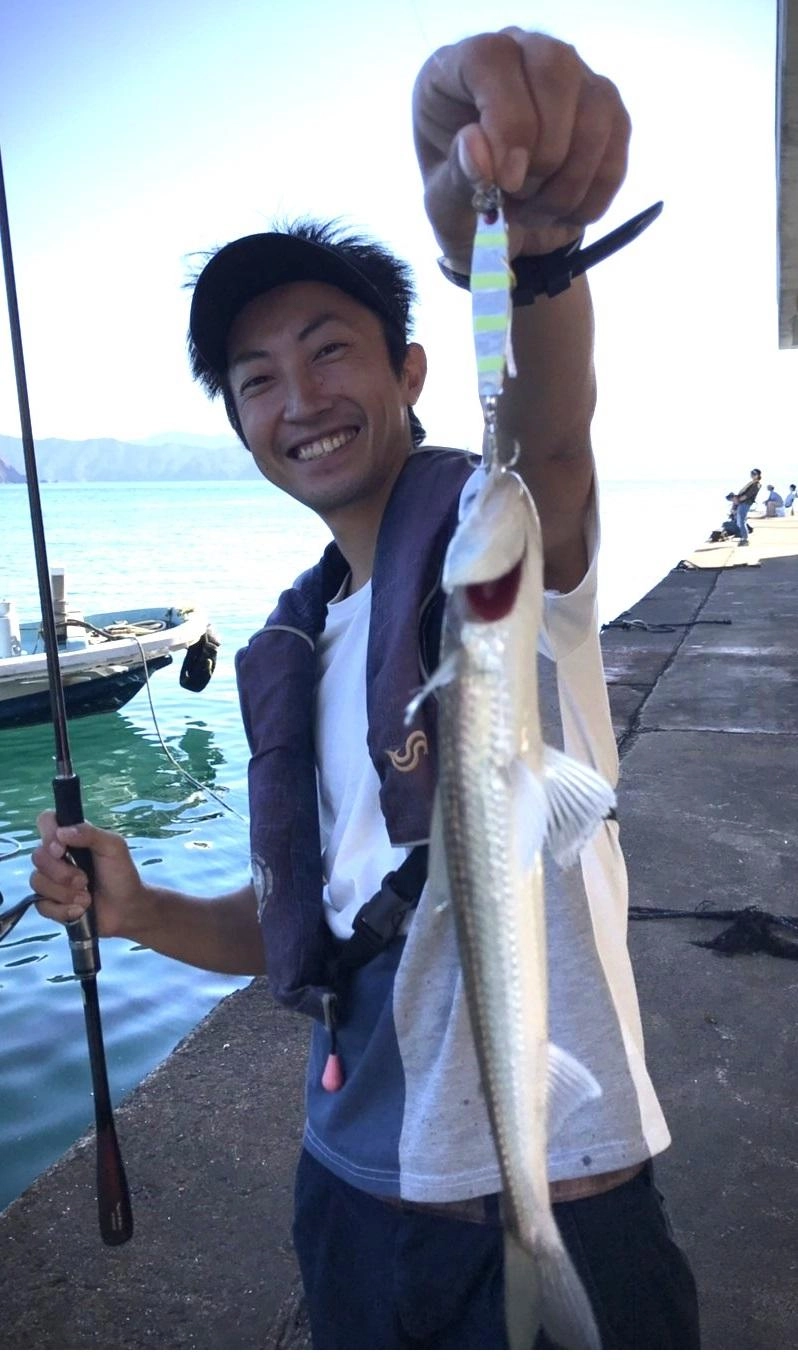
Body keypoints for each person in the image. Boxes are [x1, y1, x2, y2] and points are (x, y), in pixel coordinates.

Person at [28, 28, 699, 1351]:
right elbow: (306, 922)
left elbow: (551, 441)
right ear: (239, 426)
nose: (298, 399)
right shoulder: (299, 648)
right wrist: (138, 906)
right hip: (346, 1195)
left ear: (409, 371)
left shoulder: (500, 553)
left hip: (556, 1190)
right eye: (255, 380)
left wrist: (525, 250)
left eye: (330, 350)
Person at [732, 467, 762, 543]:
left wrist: (738, 500)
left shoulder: (757, 484)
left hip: (745, 503)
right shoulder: (752, 483)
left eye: (754, 474)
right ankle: (744, 537)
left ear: (758, 475)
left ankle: (745, 539)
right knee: (739, 521)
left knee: (741, 521)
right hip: (743, 503)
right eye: (752, 473)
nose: (752, 475)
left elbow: (748, 495)